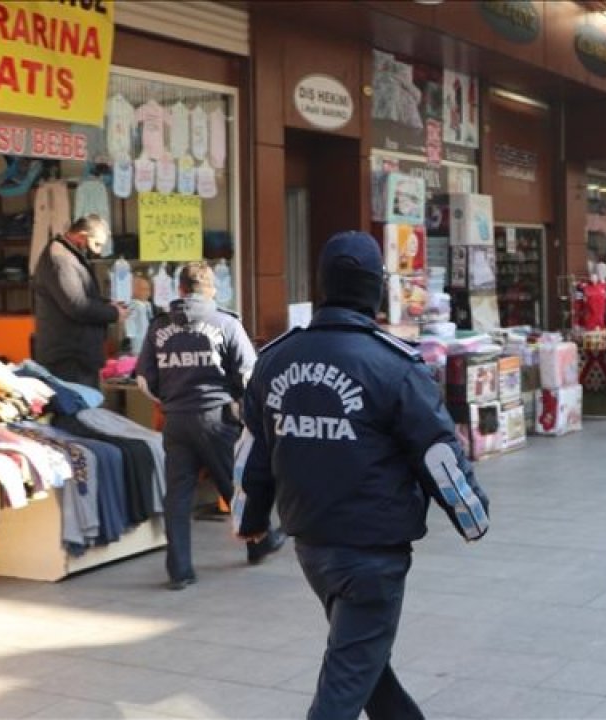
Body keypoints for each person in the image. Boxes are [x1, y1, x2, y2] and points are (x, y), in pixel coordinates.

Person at [237, 231, 489, 720]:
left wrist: (249, 516)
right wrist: (471, 516)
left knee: (363, 659)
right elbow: (438, 454)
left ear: (324, 284)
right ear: (375, 288)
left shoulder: (276, 359)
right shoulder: (393, 365)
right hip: (372, 552)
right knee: (348, 677)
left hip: (312, 545)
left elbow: (253, 448)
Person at [135, 262, 284, 590]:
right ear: (212, 290)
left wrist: (168, 400)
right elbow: (250, 375)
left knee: (177, 496)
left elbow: (144, 378)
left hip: (175, 421)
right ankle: (259, 542)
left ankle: (180, 571)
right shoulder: (225, 323)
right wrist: (242, 404)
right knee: (235, 487)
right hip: (216, 418)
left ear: (180, 290)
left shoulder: (158, 326)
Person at [31, 214, 130, 387]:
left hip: (77, 357)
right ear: (82, 236)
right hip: (68, 359)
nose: (98, 251)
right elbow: (77, 306)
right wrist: (113, 313)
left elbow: (83, 297)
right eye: (96, 244)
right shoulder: (60, 259)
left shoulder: (67, 255)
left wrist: (106, 305)